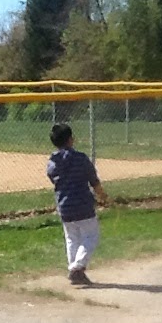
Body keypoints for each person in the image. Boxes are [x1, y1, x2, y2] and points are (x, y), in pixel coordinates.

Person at [46, 123, 109, 286]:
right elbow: (94, 181)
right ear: (70, 139)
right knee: (91, 236)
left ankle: (76, 272)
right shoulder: (81, 158)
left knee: (72, 238)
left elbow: (53, 178)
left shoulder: (52, 162)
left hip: (64, 207)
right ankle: (77, 267)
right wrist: (102, 196)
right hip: (83, 205)